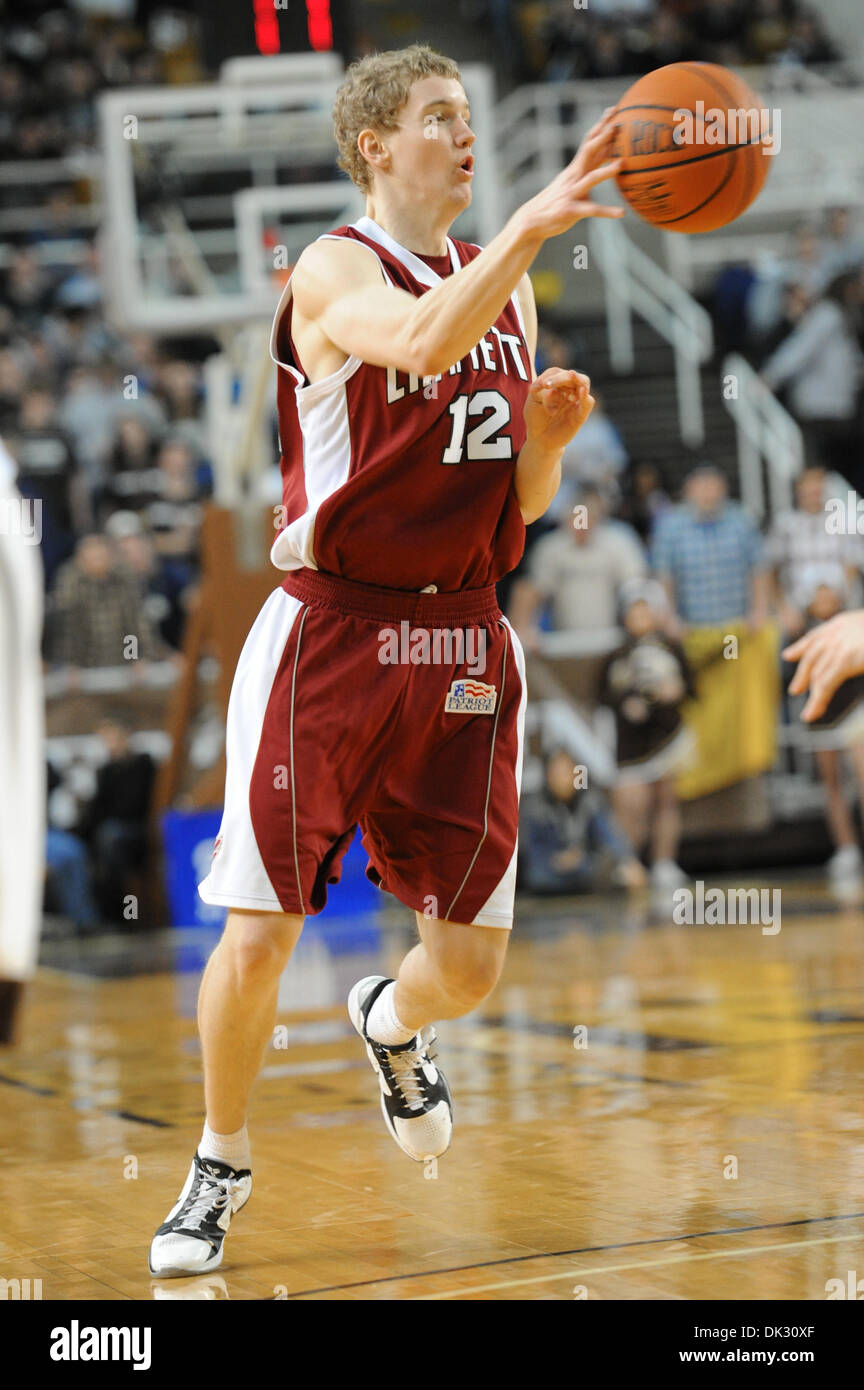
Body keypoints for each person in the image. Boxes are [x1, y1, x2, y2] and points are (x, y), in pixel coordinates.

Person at [148, 43, 626, 1278]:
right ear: (376, 142)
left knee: (464, 967)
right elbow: (415, 345)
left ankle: (390, 1021)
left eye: (472, 119)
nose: (467, 137)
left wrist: (552, 444)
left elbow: (514, 498)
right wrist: (528, 224)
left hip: (464, 631)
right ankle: (222, 1155)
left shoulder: (505, 288)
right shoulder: (333, 268)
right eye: (440, 119)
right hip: (333, 634)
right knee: (259, 934)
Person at [598, 580, 694, 889]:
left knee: (666, 800)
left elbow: (692, 688)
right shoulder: (616, 656)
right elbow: (602, 695)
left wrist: (674, 691)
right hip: (631, 743)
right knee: (632, 805)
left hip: (666, 735)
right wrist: (627, 703)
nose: (639, 619)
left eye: (645, 612)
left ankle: (665, 861)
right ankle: (629, 864)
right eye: (634, 613)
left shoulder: (672, 648)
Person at [781, 566, 864, 885]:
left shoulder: (854, 626)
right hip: (822, 716)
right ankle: (846, 849)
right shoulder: (800, 633)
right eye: (819, 593)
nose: (825, 598)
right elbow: (787, 679)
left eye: (830, 591)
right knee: (833, 784)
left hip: (855, 709)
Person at [519, 747, 646, 894]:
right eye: (556, 773)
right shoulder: (535, 807)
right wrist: (557, 860)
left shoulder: (589, 801)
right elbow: (530, 851)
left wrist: (628, 860)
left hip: (584, 864)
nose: (562, 779)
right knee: (536, 876)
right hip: (548, 868)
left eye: (567, 772)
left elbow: (609, 836)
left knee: (612, 870)